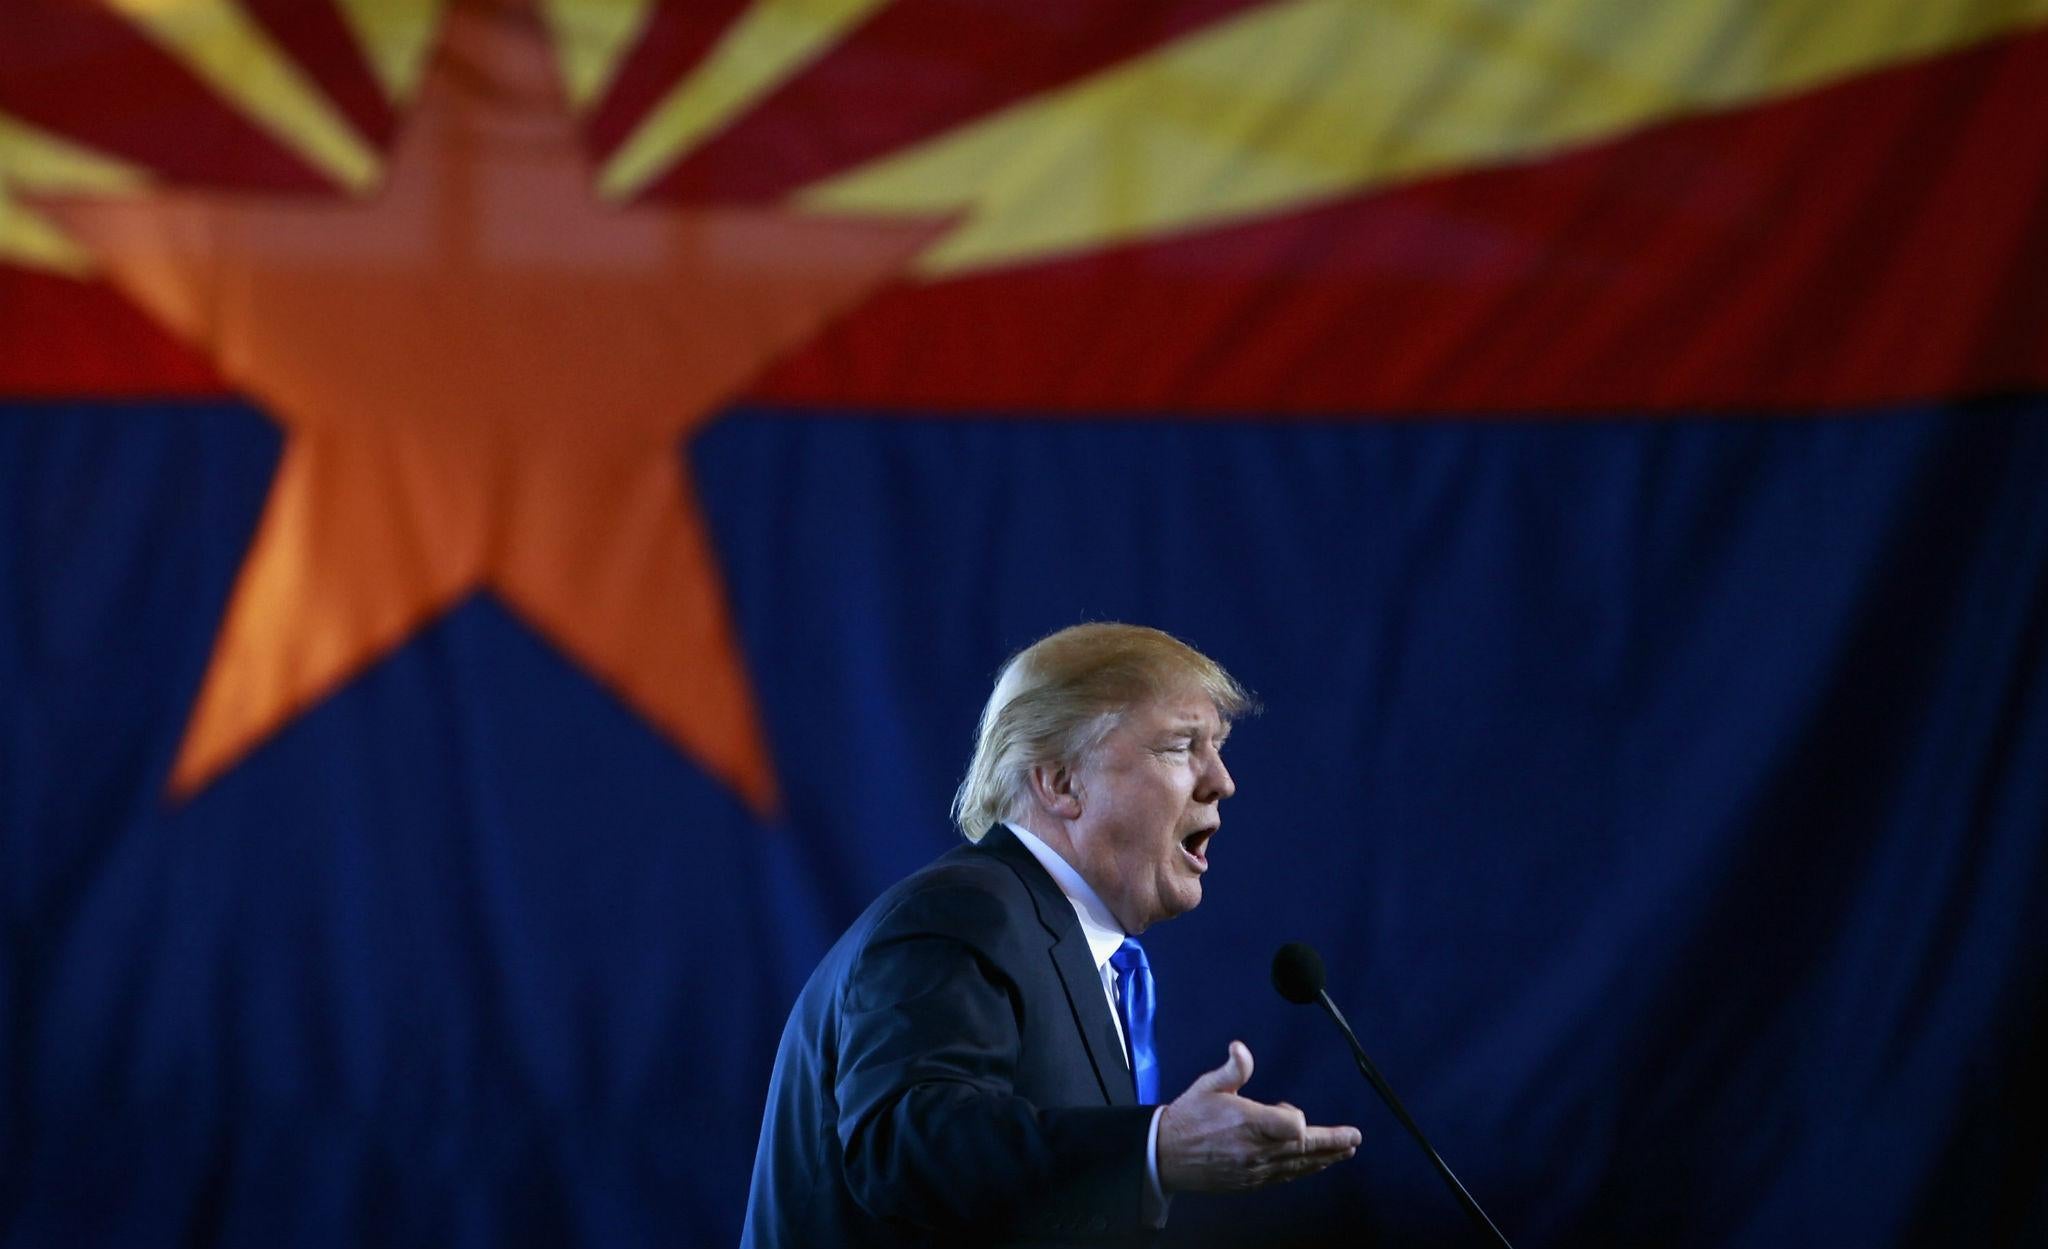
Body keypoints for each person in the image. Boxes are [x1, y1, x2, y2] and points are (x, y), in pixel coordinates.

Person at [741, 623, 1361, 1247]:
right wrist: (1157, 1147)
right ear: (1062, 782)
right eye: (1180, 746)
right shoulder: (965, 912)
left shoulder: (1073, 945)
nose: (1222, 780)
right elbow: (904, 1147)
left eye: (1218, 746)